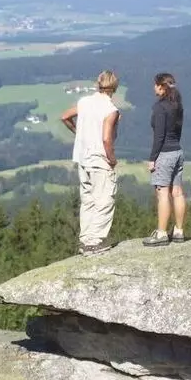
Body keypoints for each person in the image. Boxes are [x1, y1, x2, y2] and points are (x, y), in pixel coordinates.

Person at [61, 70, 121, 256]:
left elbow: (65, 116)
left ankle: (85, 239)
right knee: (105, 200)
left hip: (82, 158)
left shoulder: (84, 102)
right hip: (99, 160)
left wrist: (78, 132)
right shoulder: (111, 110)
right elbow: (106, 139)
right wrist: (112, 159)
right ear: (114, 87)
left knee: (87, 200)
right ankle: (95, 242)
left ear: (98, 84)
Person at [143, 72, 186, 246]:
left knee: (162, 194)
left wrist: (153, 158)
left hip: (165, 154)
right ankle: (179, 231)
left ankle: (161, 233)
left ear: (161, 87)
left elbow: (159, 136)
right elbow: (178, 131)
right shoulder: (177, 105)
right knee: (177, 192)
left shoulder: (160, 107)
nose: (154, 87)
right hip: (177, 151)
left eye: (155, 84)